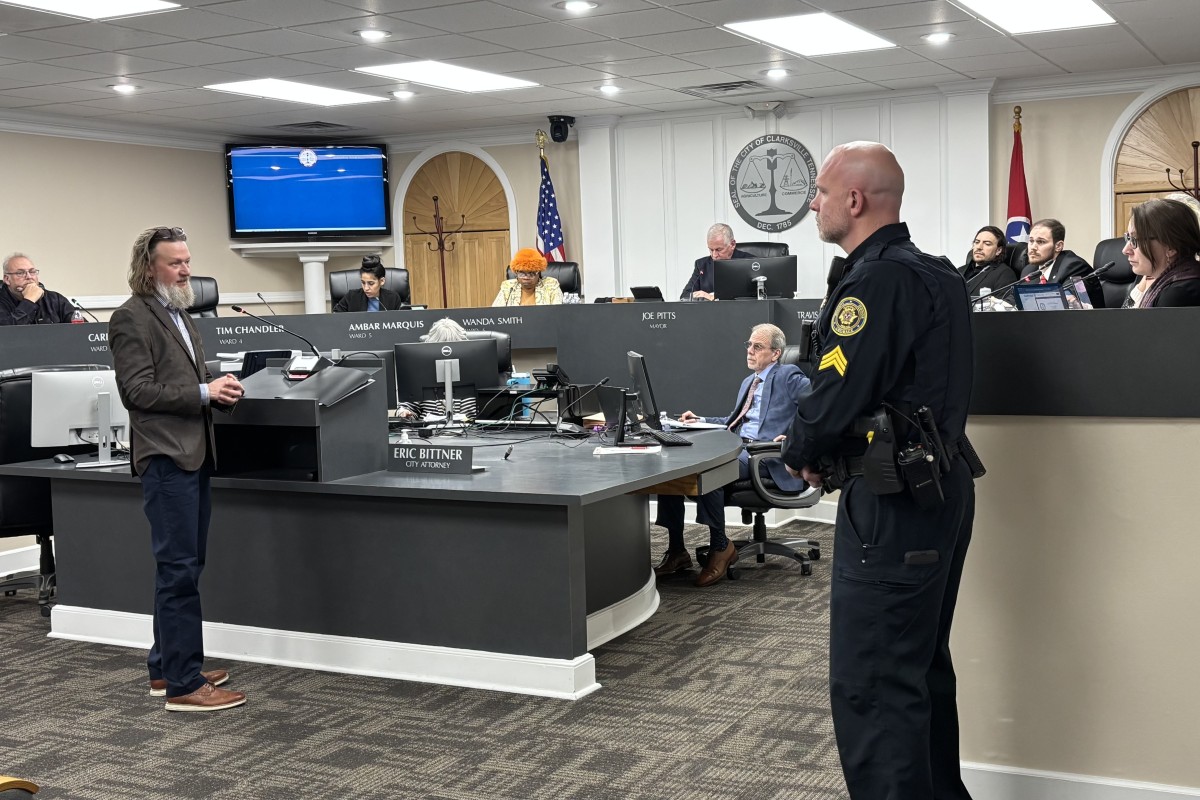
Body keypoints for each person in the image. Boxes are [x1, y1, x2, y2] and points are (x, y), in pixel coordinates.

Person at [781, 142, 976, 799]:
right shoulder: (941, 272)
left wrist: (800, 452)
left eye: (823, 193)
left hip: (892, 504)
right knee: (918, 671)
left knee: (874, 685)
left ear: (855, 201)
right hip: (941, 489)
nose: (815, 203)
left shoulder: (873, 280)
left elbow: (837, 383)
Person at [108, 226, 247, 713]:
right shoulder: (131, 317)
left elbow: (182, 380)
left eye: (188, 260)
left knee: (182, 567)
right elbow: (138, 392)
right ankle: (185, 685)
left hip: (193, 452)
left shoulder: (178, 313)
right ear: (150, 268)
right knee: (179, 571)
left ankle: (166, 667)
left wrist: (218, 387)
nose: (186, 270)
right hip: (166, 458)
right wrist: (205, 392)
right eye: (175, 263)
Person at [654, 323, 810, 587]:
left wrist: (796, 438)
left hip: (765, 455)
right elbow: (733, 421)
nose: (749, 351)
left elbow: (817, 405)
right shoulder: (749, 381)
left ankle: (720, 547)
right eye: (748, 345)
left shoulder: (788, 375)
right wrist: (699, 421)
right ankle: (678, 550)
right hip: (740, 448)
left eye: (757, 346)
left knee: (711, 469)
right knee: (673, 465)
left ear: (775, 354)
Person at [1123, 197, 1200, 308]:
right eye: (1128, 238)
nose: (1125, 250)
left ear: (1171, 247)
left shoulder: (1177, 294)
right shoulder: (1169, 281)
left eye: (1136, 240)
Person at [680, 223, 755, 300]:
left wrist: (713, 297)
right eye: (711, 250)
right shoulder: (701, 265)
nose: (714, 255)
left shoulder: (750, 262)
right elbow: (685, 295)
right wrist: (699, 297)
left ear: (732, 244)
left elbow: (755, 295)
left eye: (719, 250)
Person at [0, 253, 77, 325]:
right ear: (7, 279)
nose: (29, 277)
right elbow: (8, 332)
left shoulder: (55, 299)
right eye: (20, 273)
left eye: (32, 272)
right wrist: (29, 301)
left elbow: (81, 330)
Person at [1018, 218, 1091, 284]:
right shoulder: (1029, 270)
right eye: (1031, 241)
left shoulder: (1074, 267)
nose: (1033, 247)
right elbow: (1012, 298)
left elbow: (1068, 297)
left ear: (1058, 246)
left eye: (1041, 242)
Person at [958, 225, 1017, 298]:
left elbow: (1004, 306)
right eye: (977, 242)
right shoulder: (958, 271)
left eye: (987, 244)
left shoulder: (1004, 274)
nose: (979, 247)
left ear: (998, 250)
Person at [492, 248, 562, 306]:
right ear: (516, 272)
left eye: (531, 273)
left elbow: (557, 311)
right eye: (521, 273)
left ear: (538, 272)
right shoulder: (508, 287)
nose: (526, 277)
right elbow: (496, 313)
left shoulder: (551, 285)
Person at [333, 256, 404, 313]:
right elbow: (336, 317)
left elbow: (401, 321)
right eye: (363, 283)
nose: (366, 288)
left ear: (382, 281)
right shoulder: (351, 296)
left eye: (371, 283)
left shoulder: (393, 298)